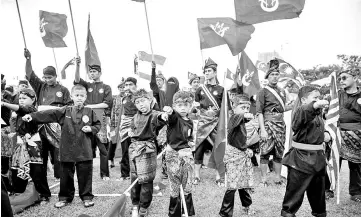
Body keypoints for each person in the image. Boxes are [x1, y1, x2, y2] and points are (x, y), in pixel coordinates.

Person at [22, 84, 101, 208]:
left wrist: (91, 128)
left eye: (82, 96)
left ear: (86, 97)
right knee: (65, 174)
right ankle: (65, 197)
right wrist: (32, 116)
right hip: (67, 149)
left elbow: (97, 125)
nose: (79, 98)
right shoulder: (65, 110)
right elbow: (48, 114)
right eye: (77, 95)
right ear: (72, 97)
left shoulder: (90, 112)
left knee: (85, 174)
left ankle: (86, 197)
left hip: (84, 149)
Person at [281, 86, 331, 217]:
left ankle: (319, 214)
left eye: (319, 97)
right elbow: (304, 113)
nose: (318, 100)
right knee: (294, 196)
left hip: (318, 160)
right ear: (303, 99)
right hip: (301, 161)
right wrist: (315, 105)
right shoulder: (300, 111)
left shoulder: (317, 113)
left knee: (318, 198)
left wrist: (326, 134)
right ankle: (288, 214)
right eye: (315, 98)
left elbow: (319, 126)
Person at [24, 49, 72, 181]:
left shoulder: (63, 90)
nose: (47, 79)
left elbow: (69, 106)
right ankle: (42, 184)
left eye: (49, 77)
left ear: (56, 76)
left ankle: (60, 177)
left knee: (57, 152)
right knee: (41, 154)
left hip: (56, 125)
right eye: (45, 77)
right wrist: (28, 59)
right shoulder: (40, 86)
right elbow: (29, 74)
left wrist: (53, 109)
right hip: (41, 124)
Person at [2, 88, 51, 203]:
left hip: (33, 143)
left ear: (33, 99)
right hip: (20, 142)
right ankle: (19, 191)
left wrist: (4, 103)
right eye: (20, 98)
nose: (21, 100)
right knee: (16, 166)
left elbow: (22, 109)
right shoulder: (17, 113)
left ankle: (44, 194)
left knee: (36, 169)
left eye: (24, 98)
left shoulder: (32, 110)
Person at [128, 89, 168, 217]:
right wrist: (130, 132)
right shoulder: (135, 116)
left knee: (146, 178)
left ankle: (144, 205)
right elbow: (131, 129)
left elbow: (160, 117)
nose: (141, 104)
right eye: (138, 102)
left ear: (150, 101)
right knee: (134, 178)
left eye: (143, 101)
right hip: (134, 149)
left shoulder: (154, 114)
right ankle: (135, 203)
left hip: (148, 149)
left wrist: (164, 115)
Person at [74, 58, 112, 181]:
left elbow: (107, 104)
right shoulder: (87, 86)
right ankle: (86, 173)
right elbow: (77, 80)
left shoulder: (106, 87)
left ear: (100, 73)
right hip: (87, 118)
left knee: (103, 148)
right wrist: (77, 66)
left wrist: (90, 106)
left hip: (101, 119)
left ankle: (105, 174)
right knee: (87, 148)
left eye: (95, 71)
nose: (92, 74)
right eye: (90, 72)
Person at [256, 59, 292, 186]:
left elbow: (283, 109)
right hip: (267, 124)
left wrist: (295, 104)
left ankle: (277, 178)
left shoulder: (282, 91)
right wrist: (263, 130)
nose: (275, 77)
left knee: (279, 152)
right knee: (265, 152)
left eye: (277, 74)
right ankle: (264, 179)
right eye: (272, 74)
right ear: (267, 76)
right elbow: (259, 112)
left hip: (280, 124)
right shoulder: (263, 91)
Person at [219, 94, 255, 217]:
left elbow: (241, 139)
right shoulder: (233, 118)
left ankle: (247, 207)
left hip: (242, 154)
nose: (246, 110)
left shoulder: (242, 121)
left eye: (247, 108)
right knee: (232, 185)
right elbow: (240, 117)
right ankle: (225, 212)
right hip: (233, 156)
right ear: (234, 107)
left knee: (244, 184)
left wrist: (247, 149)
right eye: (242, 107)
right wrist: (245, 115)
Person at [162, 91, 196, 217]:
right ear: (175, 106)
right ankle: (174, 213)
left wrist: (191, 143)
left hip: (186, 155)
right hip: (173, 155)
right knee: (175, 185)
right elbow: (171, 117)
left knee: (187, 184)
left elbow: (189, 137)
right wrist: (170, 111)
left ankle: (188, 212)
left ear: (190, 107)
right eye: (179, 105)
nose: (182, 107)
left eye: (186, 105)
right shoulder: (174, 118)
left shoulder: (190, 122)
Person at [193, 58, 226, 186]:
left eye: (209, 71)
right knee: (199, 149)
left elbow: (225, 108)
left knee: (217, 149)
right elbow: (195, 107)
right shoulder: (200, 89)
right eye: (205, 71)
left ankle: (218, 176)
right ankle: (196, 176)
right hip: (202, 123)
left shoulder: (222, 89)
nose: (206, 73)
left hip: (216, 123)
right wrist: (200, 112)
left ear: (215, 72)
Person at [338, 67, 361, 202]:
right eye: (340, 78)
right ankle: (327, 189)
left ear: (355, 78)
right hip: (338, 133)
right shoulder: (337, 95)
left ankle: (356, 192)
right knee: (332, 162)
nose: (341, 81)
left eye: (344, 78)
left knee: (356, 165)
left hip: (357, 133)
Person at [113, 77, 138, 181]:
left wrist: (134, 94)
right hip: (124, 126)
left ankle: (139, 172)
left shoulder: (139, 96)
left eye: (130, 84)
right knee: (125, 150)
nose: (128, 87)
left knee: (137, 149)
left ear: (135, 86)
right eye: (126, 85)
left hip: (137, 124)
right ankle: (124, 174)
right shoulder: (122, 98)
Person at [108, 80, 125, 168]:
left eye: (123, 87)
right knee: (112, 141)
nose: (122, 89)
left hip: (124, 124)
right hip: (114, 124)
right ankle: (111, 160)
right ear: (118, 88)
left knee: (123, 142)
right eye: (120, 87)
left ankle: (123, 160)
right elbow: (111, 110)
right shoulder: (115, 98)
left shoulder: (128, 98)